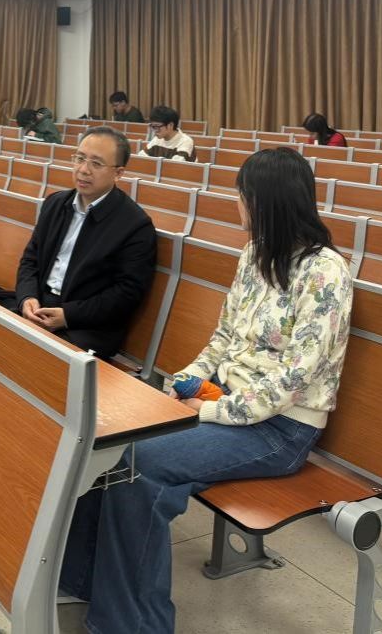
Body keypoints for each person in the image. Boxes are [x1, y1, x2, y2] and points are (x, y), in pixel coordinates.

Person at [58, 147, 353, 633]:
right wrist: (183, 383)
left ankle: (134, 625)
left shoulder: (325, 272)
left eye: (242, 196)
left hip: (280, 429)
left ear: (266, 203)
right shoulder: (255, 254)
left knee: (139, 467)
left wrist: (209, 409)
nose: (237, 205)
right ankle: (82, 580)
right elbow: (224, 337)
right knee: (108, 443)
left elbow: (294, 378)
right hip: (227, 404)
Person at [15, 126, 156, 359]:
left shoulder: (135, 225)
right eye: (80, 159)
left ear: (118, 173)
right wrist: (27, 297)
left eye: (96, 163)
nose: (83, 170)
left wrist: (68, 315)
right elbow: (31, 258)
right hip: (39, 305)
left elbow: (126, 293)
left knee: (24, 356)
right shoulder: (55, 203)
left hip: (85, 325)